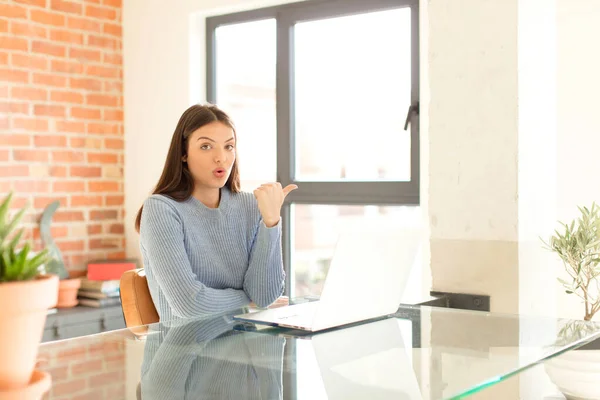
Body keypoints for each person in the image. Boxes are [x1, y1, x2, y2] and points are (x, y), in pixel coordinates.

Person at [135, 104, 297, 322]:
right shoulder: (161, 209)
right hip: (185, 352)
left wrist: (271, 222)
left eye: (229, 146)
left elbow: (264, 296)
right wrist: (247, 301)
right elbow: (189, 304)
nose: (221, 157)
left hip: (246, 346)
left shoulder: (251, 205)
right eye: (206, 147)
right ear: (183, 153)